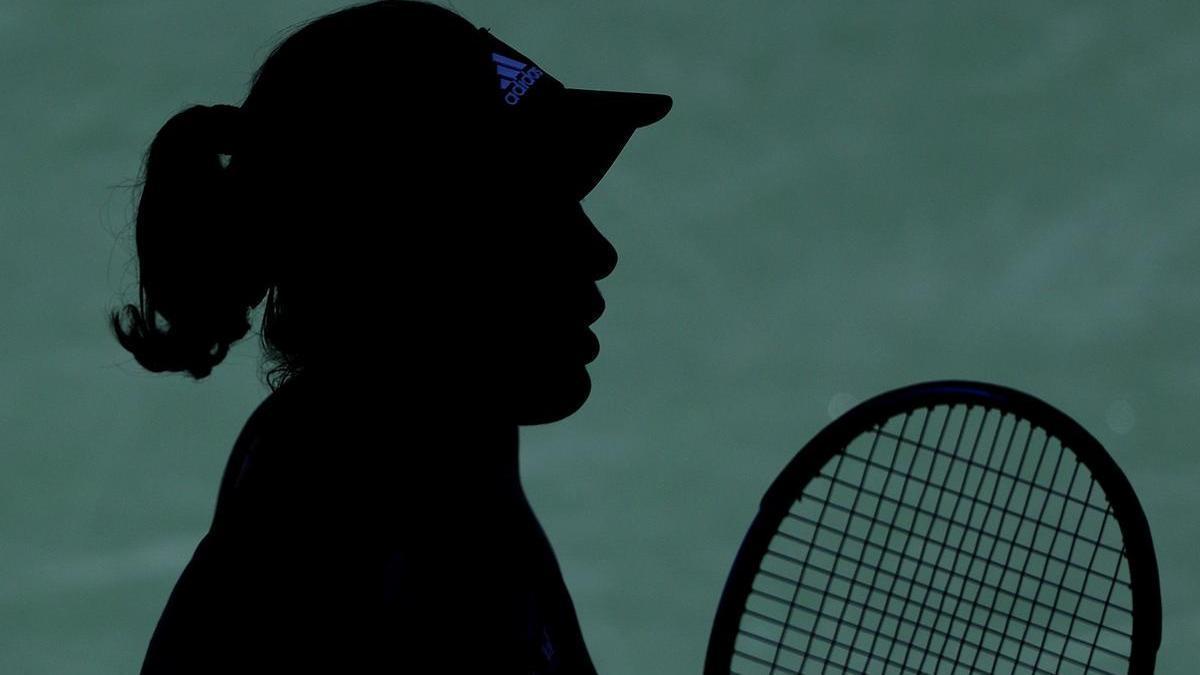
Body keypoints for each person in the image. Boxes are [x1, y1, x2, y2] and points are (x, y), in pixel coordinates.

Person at [109, 1, 672, 672]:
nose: (596, 250)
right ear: (405, 251)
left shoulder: (437, 448)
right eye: (527, 213)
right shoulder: (359, 553)